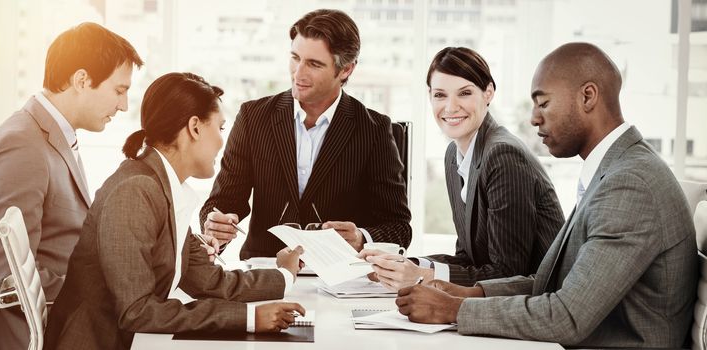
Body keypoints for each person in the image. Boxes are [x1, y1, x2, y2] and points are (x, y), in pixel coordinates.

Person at [394, 42, 697, 348]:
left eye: (544, 103)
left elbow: (567, 317)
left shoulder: (630, 184)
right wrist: (467, 293)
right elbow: (554, 284)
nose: (534, 118)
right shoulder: (615, 169)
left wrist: (453, 310)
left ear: (587, 97)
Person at [43, 73, 306, 350]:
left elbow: (211, 281)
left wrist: (283, 275)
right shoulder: (136, 190)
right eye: (220, 128)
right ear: (194, 127)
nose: (221, 142)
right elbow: (138, 311)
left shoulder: (162, 188)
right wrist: (250, 318)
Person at [199, 9, 412, 259]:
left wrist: (361, 238)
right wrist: (215, 224)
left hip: (339, 278)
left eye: (314, 64)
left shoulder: (374, 130)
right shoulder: (253, 117)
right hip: (266, 271)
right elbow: (224, 201)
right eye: (295, 58)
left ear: (346, 70)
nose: (298, 73)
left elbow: (399, 228)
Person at [359, 47, 564, 290]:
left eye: (464, 93)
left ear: (488, 93)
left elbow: (508, 272)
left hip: (534, 302)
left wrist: (422, 276)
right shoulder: (454, 156)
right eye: (440, 95)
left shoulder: (503, 155)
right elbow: (468, 258)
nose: (450, 107)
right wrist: (405, 264)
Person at [0, 22, 142, 349]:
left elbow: (63, 240)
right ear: (81, 80)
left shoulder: (53, 137)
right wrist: (109, 291)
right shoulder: (23, 146)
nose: (124, 106)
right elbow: (5, 279)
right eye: (119, 90)